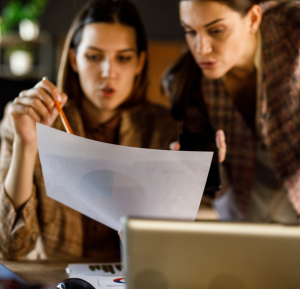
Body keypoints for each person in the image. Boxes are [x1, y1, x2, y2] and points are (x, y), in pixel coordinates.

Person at [0, 0, 177, 260]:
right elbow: (10, 246)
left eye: (124, 58)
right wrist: (26, 146)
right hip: (57, 287)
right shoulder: (27, 121)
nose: (108, 72)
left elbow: (171, 249)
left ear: (140, 63)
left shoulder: (164, 130)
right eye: (93, 56)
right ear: (73, 59)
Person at [164, 0, 300, 223]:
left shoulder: (293, 30)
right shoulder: (186, 84)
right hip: (244, 218)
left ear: (253, 19)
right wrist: (201, 174)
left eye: (216, 31)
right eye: (190, 31)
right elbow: (212, 191)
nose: (201, 48)